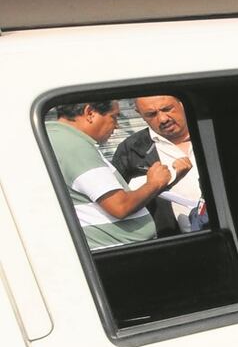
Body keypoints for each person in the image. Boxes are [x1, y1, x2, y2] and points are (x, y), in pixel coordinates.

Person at [46, 101, 190, 250]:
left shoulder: (59, 139)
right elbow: (120, 206)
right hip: (120, 251)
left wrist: (165, 182)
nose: (117, 126)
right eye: (113, 117)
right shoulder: (74, 147)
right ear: (90, 113)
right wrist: (154, 184)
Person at [112, 95, 204, 234]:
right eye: (151, 114)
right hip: (172, 239)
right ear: (139, 114)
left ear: (182, 103)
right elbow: (118, 202)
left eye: (167, 109)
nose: (163, 119)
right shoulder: (131, 150)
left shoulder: (210, 133)